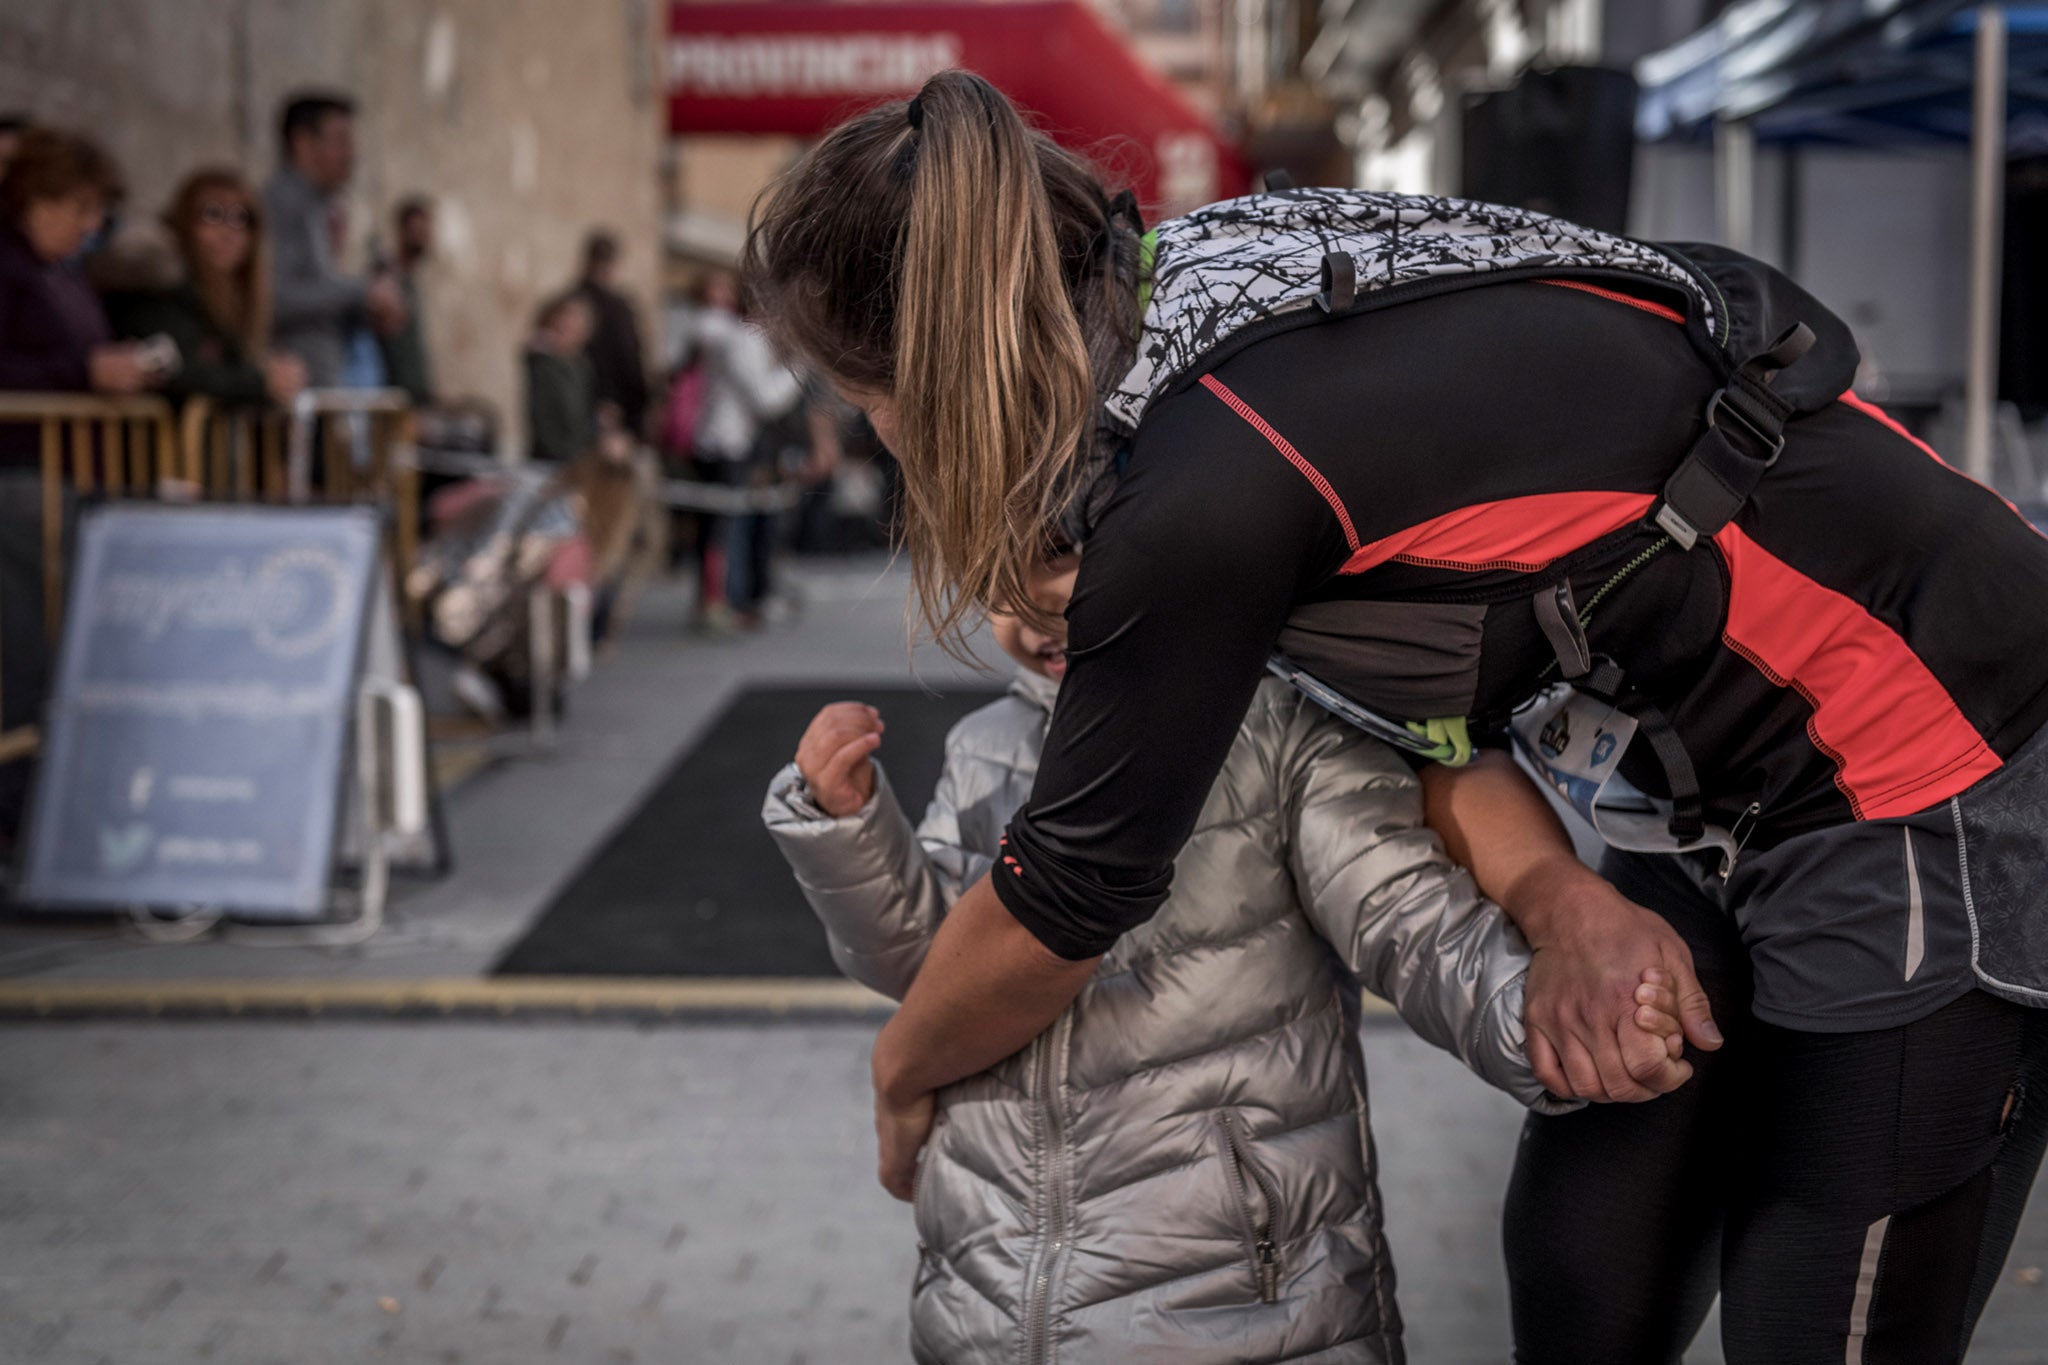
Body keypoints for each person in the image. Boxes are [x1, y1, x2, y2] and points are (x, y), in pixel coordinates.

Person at [742, 71, 2048, 1363]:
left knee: (1823, 1316)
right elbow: (1421, 706)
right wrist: (1561, 904)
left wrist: (904, 1071)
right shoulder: (1180, 305)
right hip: (1700, 770)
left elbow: (1064, 902)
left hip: (1916, 729)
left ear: (941, 371)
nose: (885, 450)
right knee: (1589, 1259)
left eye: (871, 409)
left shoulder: (1202, 476)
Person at [765, 548, 1682, 1362]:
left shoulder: (1276, 723)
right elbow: (930, 970)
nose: (1033, 608)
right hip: (987, 1284)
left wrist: (1535, 1017)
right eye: (997, 583)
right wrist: (848, 835)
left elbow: (1404, 910)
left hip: (1231, 1301)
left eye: (1066, 557)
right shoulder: (984, 746)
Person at [0, 128, 162, 452]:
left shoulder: (66, 272)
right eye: (82, 208)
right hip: (23, 466)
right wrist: (84, 372)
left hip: (73, 463)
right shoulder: (9, 264)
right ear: (38, 199)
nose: (92, 225)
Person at [104, 168, 304, 409]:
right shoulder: (156, 284)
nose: (228, 232)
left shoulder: (227, 298)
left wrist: (270, 375)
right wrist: (260, 382)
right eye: (212, 214)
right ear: (185, 221)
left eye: (242, 218)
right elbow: (176, 371)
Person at [668, 269, 798, 628]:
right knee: (724, 529)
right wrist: (795, 369)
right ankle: (719, 603)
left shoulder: (734, 335)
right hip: (724, 443)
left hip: (727, 442)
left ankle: (722, 601)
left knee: (724, 527)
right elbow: (765, 399)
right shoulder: (738, 337)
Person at [264, 90, 404, 388]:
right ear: (302, 143)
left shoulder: (319, 208)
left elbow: (320, 299)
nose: (350, 154)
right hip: (292, 388)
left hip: (322, 382)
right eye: (340, 141)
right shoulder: (281, 205)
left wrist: (369, 311)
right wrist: (362, 293)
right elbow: (275, 297)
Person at [574, 229, 650, 437]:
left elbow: (630, 357)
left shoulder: (620, 305)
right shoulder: (577, 302)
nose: (603, 266)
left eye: (606, 260)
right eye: (599, 259)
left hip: (623, 404)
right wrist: (603, 399)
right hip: (592, 404)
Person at [523, 291, 598, 465]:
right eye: (561, 323)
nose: (565, 328)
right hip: (551, 458)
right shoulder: (542, 363)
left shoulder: (580, 366)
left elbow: (582, 414)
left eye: (573, 325)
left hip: (578, 457)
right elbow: (543, 419)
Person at [379, 195, 434, 406]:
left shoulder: (409, 282)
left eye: (425, 230)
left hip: (415, 396)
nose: (422, 237)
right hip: (395, 396)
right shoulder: (388, 280)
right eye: (416, 230)